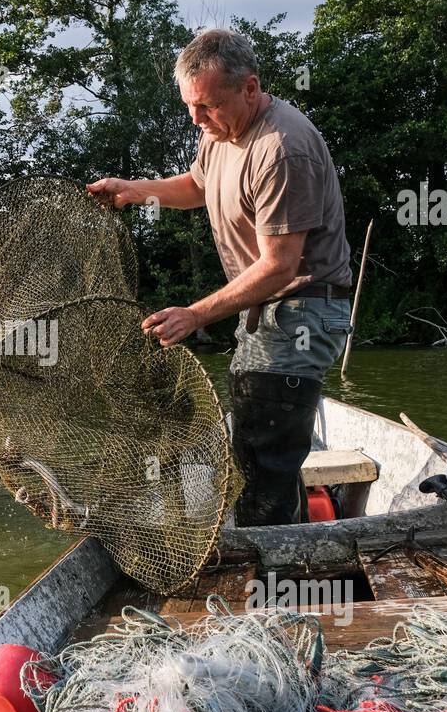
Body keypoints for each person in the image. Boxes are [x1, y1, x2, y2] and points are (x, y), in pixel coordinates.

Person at [87, 28, 354, 526]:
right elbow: (195, 185)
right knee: (257, 440)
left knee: (262, 458)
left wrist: (194, 315)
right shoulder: (219, 133)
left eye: (207, 105)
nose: (196, 118)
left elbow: (280, 264)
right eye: (190, 105)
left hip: (302, 309)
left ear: (250, 88)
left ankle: (273, 580)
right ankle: (286, 543)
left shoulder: (282, 148)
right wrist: (133, 190)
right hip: (264, 310)